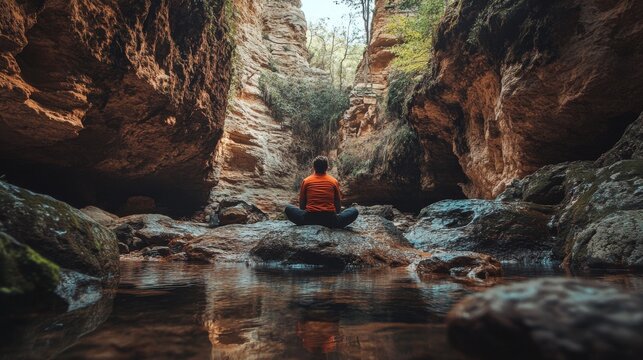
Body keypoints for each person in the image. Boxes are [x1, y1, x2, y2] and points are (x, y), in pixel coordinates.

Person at [285, 156, 358, 228]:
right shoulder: (333, 181)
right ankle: (335, 223)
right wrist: (336, 215)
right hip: (330, 220)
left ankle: (306, 222)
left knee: (288, 208)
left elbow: (302, 202)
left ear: (314, 167)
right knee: (354, 211)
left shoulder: (306, 181)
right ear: (327, 167)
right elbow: (337, 202)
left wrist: (304, 214)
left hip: (309, 219)